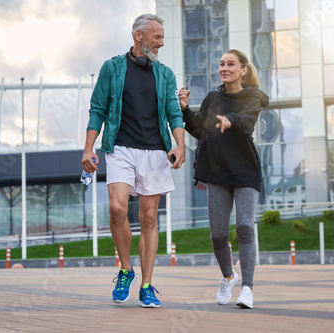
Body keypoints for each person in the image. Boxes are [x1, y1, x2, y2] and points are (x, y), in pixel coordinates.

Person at [82, 13, 185, 308]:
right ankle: (126, 269)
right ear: (138, 36)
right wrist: (88, 148)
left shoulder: (165, 74)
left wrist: (179, 143)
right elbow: (97, 109)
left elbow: (173, 112)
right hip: (120, 146)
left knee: (149, 217)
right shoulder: (112, 68)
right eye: (157, 37)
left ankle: (147, 285)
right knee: (117, 208)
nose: (161, 43)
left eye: (163, 37)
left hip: (155, 150)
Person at [178, 49, 269, 309]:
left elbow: (247, 122)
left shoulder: (253, 98)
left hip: (244, 171)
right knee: (218, 235)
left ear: (243, 70)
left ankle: (248, 288)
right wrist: (185, 108)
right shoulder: (212, 98)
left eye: (230, 64)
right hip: (216, 170)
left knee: (244, 228)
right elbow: (199, 130)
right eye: (221, 64)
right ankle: (229, 276)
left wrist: (230, 119)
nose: (224, 68)